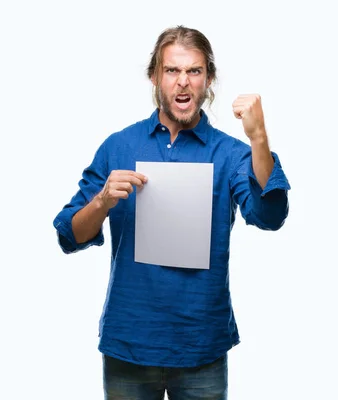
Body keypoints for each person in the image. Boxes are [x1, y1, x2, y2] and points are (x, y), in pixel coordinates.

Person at [52, 25, 290, 400]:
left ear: (208, 79)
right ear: (154, 76)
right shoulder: (119, 145)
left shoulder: (229, 153)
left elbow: (269, 215)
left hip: (201, 347)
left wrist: (259, 138)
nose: (183, 83)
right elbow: (69, 235)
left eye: (194, 71)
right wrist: (101, 202)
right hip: (129, 342)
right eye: (172, 71)